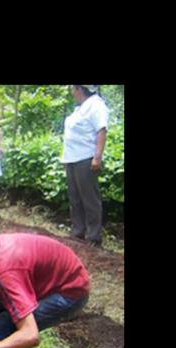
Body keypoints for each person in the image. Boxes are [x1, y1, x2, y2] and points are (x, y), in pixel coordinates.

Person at [61, 85, 109, 248]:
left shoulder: (96, 105)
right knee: (75, 197)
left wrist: (97, 156)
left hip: (85, 158)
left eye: (72, 89)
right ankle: (78, 231)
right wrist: (65, 159)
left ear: (79, 89)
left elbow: (101, 130)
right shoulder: (80, 108)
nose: (71, 92)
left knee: (89, 198)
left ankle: (94, 236)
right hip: (72, 159)